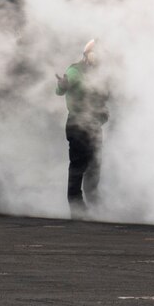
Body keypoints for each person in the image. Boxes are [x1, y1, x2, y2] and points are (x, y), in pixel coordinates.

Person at [55, 39, 110, 214]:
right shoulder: (74, 70)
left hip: (93, 125)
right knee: (78, 165)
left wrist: (102, 113)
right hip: (77, 124)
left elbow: (101, 97)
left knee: (94, 164)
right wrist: (62, 85)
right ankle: (76, 206)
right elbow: (62, 88)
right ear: (86, 56)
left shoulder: (99, 74)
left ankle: (93, 201)